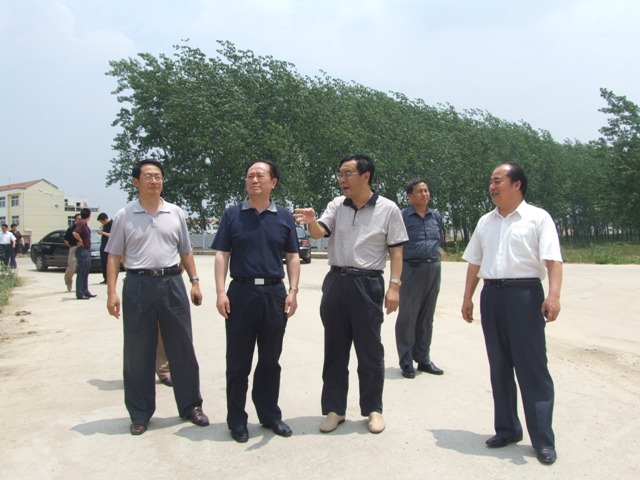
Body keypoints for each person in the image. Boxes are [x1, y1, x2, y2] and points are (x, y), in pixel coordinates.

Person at [294, 153, 408, 435]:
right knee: (334, 349)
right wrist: (311, 221)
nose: (341, 179)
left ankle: (373, 409)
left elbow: (396, 251)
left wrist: (394, 286)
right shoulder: (337, 205)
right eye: (340, 174)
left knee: (370, 350)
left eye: (347, 174)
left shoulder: (388, 209)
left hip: (367, 284)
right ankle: (335, 409)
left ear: (365, 176)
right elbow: (319, 232)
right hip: (336, 282)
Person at [461, 163, 563, 466]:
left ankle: (543, 439)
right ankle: (506, 429)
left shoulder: (538, 218)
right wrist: (467, 297)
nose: (492, 187)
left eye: (497, 181)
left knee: (532, 368)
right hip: (492, 296)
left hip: (524, 295)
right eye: (491, 182)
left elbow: (553, 260)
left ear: (516, 184)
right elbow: (474, 261)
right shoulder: (485, 221)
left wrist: (553, 295)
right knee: (499, 366)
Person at [105, 159, 208, 436]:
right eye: (148, 176)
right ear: (136, 182)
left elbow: (185, 250)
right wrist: (111, 292)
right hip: (138, 284)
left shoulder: (175, 212)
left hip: (172, 282)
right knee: (138, 350)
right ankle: (140, 414)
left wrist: (195, 281)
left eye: (158, 176)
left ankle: (191, 406)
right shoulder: (125, 215)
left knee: (182, 347)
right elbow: (113, 256)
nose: (154, 181)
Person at [213, 160, 300, 443]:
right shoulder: (232, 214)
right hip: (241, 293)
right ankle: (237, 420)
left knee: (270, 359)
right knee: (238, 361)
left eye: (260, 176)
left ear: (273, 182)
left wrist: (293, 290)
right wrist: (220, 292)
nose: (254, 180)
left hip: (275, 294)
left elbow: (292, 256)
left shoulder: (284, 216)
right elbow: (222, 254)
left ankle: (269, 415)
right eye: (250, 175)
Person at [395, 179, 445, 379]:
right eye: (419, 191)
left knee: (426, 317)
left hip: (433, 268)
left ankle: (423, 359)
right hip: (411, 269)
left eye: (426, 190)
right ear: (409, 196)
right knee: (408, 317)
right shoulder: (402, 217)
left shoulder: (436, 216)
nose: (424, 194)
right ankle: (406, 361)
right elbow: (395, 245)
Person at [72, 208, 95, 300]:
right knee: (82, 272)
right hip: (82, 250)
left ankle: (85, 290)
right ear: (89, 215)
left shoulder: (84, 224)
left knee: (85, 272)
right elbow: (75, 233)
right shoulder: (82, 223)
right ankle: (80, 293)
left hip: (86, 250)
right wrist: (81, 240)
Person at [64, 214, 81, 292]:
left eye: (81, 219)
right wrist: (71, 246)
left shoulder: (84, 227)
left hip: (82, 248)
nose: (80, 220)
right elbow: (66, 240)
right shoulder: (71, 228)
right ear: (75, 220)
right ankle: (68, 282)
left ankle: (81, 287)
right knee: (72, 267)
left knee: (82, 268)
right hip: (74, 248)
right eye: (78, 219)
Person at [96, 212, 113, 284]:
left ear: (105, 219)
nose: (101, 223)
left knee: (108, 263)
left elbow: (112, 235)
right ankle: (105, 278)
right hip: (103, 245)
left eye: (102, 221)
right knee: (103, 263)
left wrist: (103, 233)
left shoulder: (112, 224)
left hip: (110, 247)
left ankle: (110, 279)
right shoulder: (104, 225)